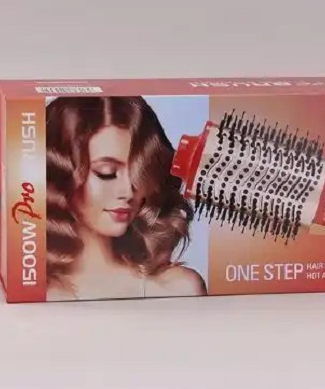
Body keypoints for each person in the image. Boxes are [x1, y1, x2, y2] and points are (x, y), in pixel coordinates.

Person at [45, 95, 206, 300]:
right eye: (107, 173)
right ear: (60, 176)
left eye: (139, 173)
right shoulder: (45, 296)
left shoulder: (179, 288)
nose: (128, 192)